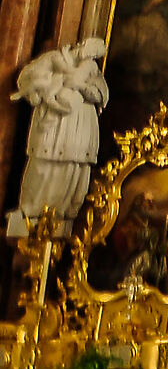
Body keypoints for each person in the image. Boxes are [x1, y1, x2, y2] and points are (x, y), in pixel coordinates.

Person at [8, 39, 107, 237]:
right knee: (43, 164)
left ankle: (62, 210)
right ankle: (31, 209)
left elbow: (101, 94)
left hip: (79, 124)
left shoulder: (92, 68)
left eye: (95, 53)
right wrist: (47, 86)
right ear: (81, 43)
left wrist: (80, 86)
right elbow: (26, 78)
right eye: (90, 48)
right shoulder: (56, 57)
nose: (90, 54)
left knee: (72, 166)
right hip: (53, 124)